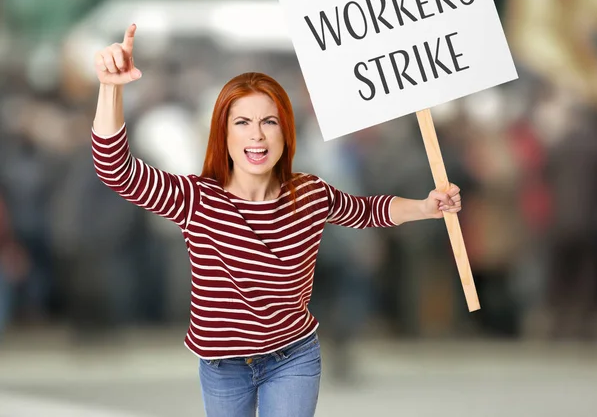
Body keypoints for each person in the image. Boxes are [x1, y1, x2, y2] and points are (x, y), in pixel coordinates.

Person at [91, 24, 462, 417]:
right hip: (223, 364)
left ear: (286, 131)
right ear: (223, 134)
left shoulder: (311, 193)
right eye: (242, 123)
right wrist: (110, 88)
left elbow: (368, 210)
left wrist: (426, 206)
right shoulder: (195, 198)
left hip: (293, 357)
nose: (258, 135)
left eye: (270, 121)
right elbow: (116, 170)